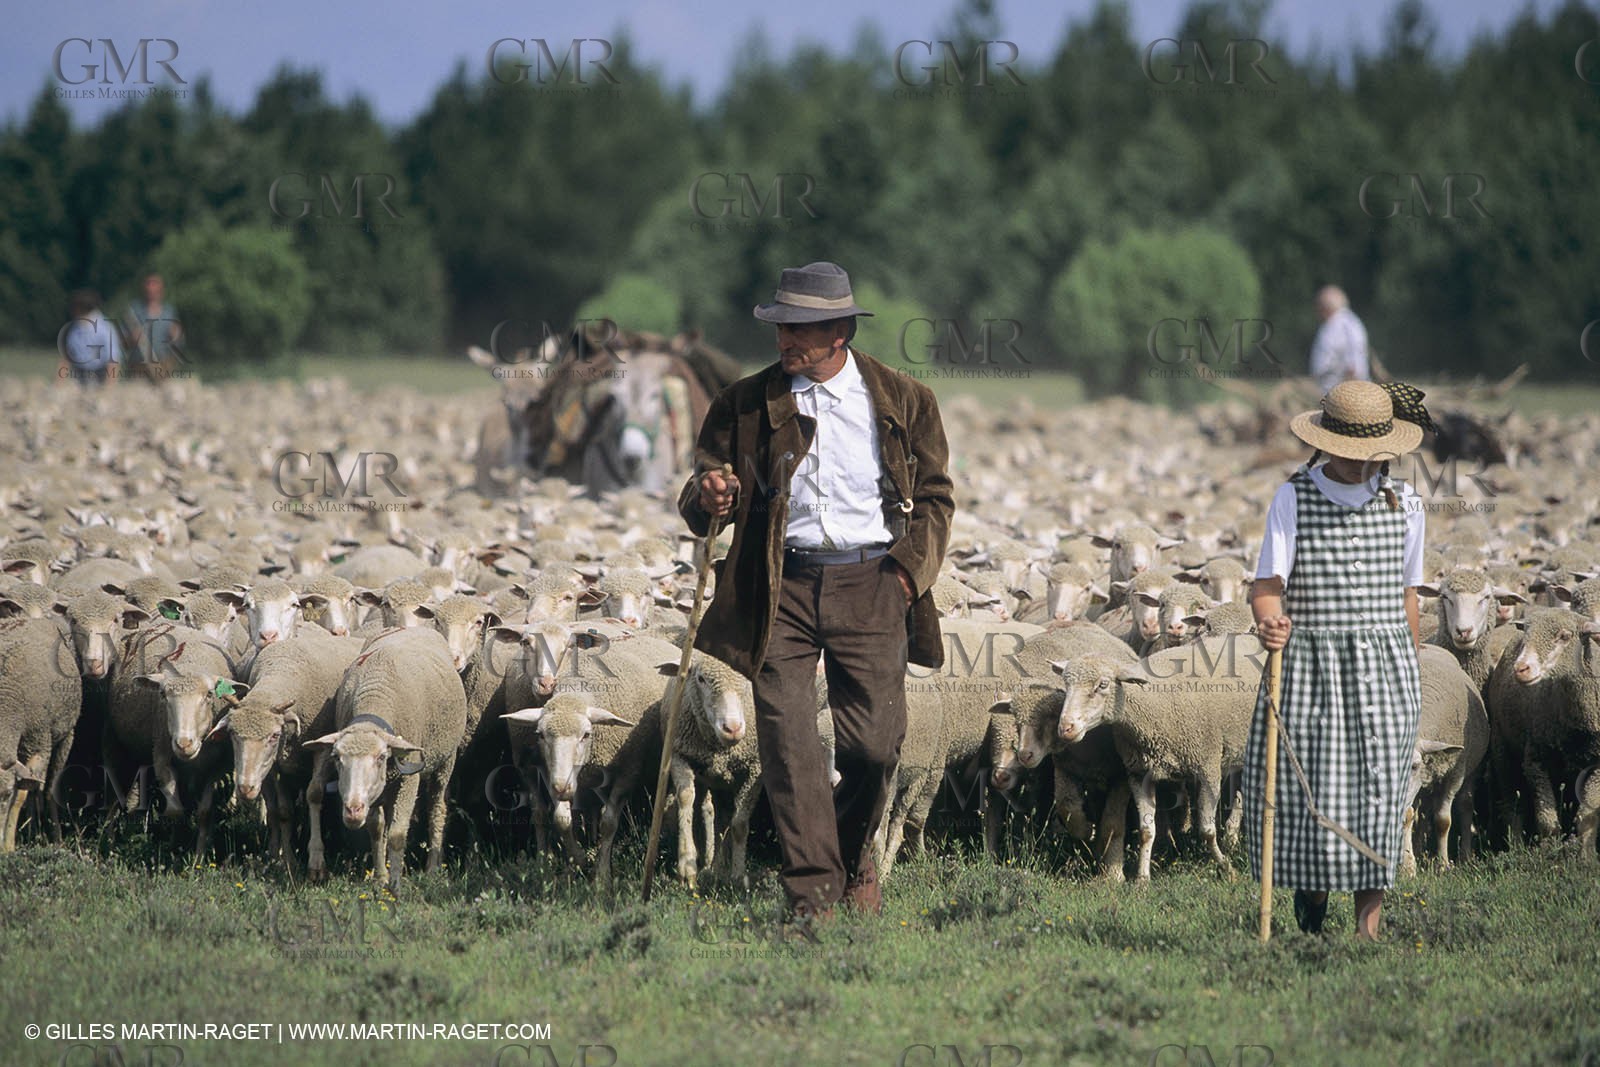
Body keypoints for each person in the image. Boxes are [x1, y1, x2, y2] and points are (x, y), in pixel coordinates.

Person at [677, 261, 954, 923]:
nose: (785, 342)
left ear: (840, 332)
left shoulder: (904, 399)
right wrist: (710, 495)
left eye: (799, 329)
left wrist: (907, 575)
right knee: (790, 745)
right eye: (780, 328)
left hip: (874, 583)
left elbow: (937, 498)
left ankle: (855, 856)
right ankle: (811, 897)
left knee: (874, 745)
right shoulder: (744, 404)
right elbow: (701, 493)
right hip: (780, 584)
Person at [1242, 379, 1436, 940]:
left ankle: (1366, 931)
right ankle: (1311, 905)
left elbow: (1408, 594)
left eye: (1370, 458)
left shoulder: (1407, 504)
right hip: (1310, 665)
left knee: (1377, 792)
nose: (1360, 468)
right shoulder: (1293, 497)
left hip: (1384, 667)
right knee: (1313, 791)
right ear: (1326, 444)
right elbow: (1267, 584)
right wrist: (1269, 621)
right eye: (1350, 457)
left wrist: (1411, 661)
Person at [1308, 285, 1369, 393]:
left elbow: (1353, 361)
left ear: (1325, 307)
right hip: (1331, 390)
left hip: (1340, 391)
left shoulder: (1345, 325)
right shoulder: (1339, 323)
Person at [123, 272, 184, 378]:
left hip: (164, 366)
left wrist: (176, 336)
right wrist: (131, 338)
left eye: (155, 286)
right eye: (149, 285)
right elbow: (121, 341)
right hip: (138, 366)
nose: (151, 290)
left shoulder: (169, 311)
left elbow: (179, 343)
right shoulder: (134, 310)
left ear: (161, 290)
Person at [58, 289, 121, 388]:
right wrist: (58, 384)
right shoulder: (74, 328)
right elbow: (67, 358)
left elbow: (113, 361)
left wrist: (109, 387)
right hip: (80, 375)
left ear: (81, 308)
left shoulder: (105, 328)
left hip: (101, 375)